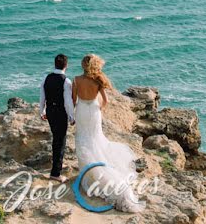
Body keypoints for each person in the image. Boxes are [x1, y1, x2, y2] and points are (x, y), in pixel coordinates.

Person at [72, 54, 145, 212]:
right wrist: (98, 108)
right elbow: (105, 101)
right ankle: (100, 169)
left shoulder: (76, 79)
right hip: (93, 110)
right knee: (96, 139)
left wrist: (72, 114)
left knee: (82, 140)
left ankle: (87, 176)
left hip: (81, 111)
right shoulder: (98, 80)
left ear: (83, 65)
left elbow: (72, 100)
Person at [39, 53, 75, 182]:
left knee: (56, 138)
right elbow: (68, 102)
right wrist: (72, 116)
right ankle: (55, 173)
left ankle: (57, 164)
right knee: (60, 141)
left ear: (55, 64)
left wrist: (42, 111)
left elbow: (42, 97)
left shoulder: (46, 78)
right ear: (66, 65)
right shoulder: (66, 81)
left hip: (50, 111)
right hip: (60, 112)